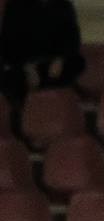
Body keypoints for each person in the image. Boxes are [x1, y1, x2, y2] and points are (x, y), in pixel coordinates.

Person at [0, 0, 84, 128]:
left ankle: (54, 121)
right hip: (23, 64)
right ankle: (24, 121)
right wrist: (28, 67)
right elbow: (9, 45)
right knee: (12, 80)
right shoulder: (16, 6)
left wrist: (59, 59)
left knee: (75, 65)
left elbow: (72, 38)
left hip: (54, 65)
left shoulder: (63, 5)